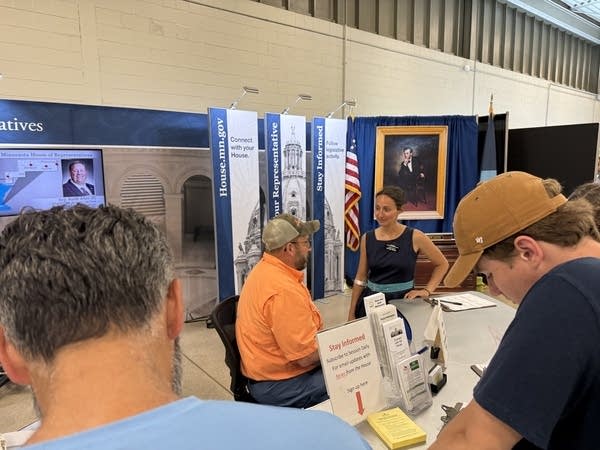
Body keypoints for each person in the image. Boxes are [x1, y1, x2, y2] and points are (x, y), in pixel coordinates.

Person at [0, 205, 371, 449]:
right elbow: (303, 353)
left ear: (9, 356)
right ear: (175, 310)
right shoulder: (327, 440)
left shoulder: (266, 276)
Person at [429, 171, 600, 450]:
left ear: (527, 251)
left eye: (488, 275)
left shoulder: (565, 293)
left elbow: (473, 438)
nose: (494, 290)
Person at [236, 213, 328, 408]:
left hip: (269, 375)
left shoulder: (267, 271)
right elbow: (305, 357)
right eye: (305, 242)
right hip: (280, 383)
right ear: (289, 248)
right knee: (352, 374)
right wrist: (340, 347)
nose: (309, 248)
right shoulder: (282, 290)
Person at [348, 186, 449, 320]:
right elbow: (360, 279)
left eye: (387, 209)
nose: (380, 214)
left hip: (404, 305)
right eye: (377, 208)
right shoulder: (367, 238)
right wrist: (352, 312)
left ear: (399, 210)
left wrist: (426, 290)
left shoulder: (416, 237)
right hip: (371, 304)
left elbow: (442, 264)